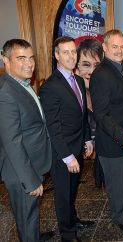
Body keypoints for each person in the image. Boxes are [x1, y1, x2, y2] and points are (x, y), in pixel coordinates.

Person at [39, 36, 94, 242]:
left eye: (73, 52)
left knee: (72, 189)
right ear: (56, 55)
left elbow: (82, 116)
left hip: (78, 146)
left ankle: (73, 220)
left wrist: (88, 139)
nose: (71, 56)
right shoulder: (50, 87)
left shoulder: (78, 79)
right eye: (66, 52)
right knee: (62, 195)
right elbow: (52, 127)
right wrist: (67, 157)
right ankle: (68, 234)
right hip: (63, 153)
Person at [0, 39, 53, 241]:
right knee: (27, 218)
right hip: (21, 171)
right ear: (6, 60)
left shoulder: (22, 83)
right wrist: (30, 180)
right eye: (21, 58)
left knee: (31, 215)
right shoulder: (5, 92)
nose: (29, 63)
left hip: (33, 162)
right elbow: (12, 142)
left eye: (31, 58)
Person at [89, 29, 123, 233]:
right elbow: (101, 115)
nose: (119, 50)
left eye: (122, 46)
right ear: (104, 47)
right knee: (117, 182)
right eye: (115, 46)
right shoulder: (101, 74)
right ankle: (119, 216)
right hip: (113, 140)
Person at [75, 38, 105, 188]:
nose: (92, 71)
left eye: (97, 65)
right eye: (86, 65)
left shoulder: (105, 93)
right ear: (76, 67)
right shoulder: (71, 98)